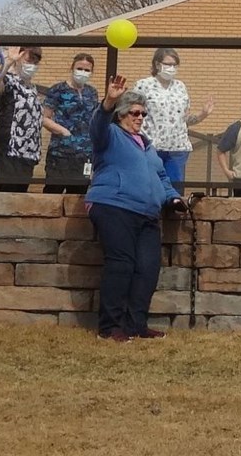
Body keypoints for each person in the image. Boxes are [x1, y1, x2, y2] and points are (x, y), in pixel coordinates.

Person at [86, 74, 185, 343]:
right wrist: (108, 102)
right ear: (120, 114)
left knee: (148, 268)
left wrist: (173, 198)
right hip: (113, 206)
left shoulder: (148, 146)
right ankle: (109, 328)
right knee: (121, 264)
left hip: (148, 214)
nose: (140, 117)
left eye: (143, 113)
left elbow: (162, 178)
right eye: (134, 112)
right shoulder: (110, 136)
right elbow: (96, 127)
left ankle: (135, 324)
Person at [133, 48, 214, 192]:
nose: (171, 68)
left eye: (175, 65)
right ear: (157, 64)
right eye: (168, 64)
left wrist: (203, 114)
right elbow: (132, 113)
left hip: (177, 148)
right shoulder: (143, 85)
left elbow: (185, 119)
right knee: (151, 189)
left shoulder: (180, 87)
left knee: (174, 191)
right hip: (152, 147)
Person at [0, 46, 44, 192]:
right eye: (29, 59)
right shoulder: (9, 80)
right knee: (6, 198)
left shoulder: (32, 88)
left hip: (28, 154)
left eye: (36, 61)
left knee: (20, 199)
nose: (32, 65)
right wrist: (9, 60)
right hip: (8, 151)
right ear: (20, 57)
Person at [42, 53, 99, 194]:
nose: (83, 73)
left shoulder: (92, 93)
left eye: (87, 70)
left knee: (78, 198)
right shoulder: (57, 90)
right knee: (52, 195)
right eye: (79, 68)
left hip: (84, 155)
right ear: (72, 68)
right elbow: (44, 118)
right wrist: (63, 131)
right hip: (60, 154)